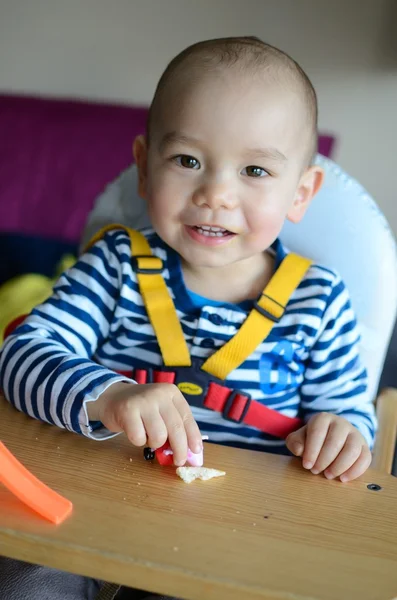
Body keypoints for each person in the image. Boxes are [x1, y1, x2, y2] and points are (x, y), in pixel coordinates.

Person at [0, 36, 376, 600]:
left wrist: (343, 434)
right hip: (87, 516)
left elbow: (351, 415)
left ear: (301, 193)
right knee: (24, 582)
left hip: (233, 540)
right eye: (188, 160)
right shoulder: (115, 265)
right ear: (144, 170)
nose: (216, 193)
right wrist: (109, 396)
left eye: (254, 169)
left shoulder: (318, 301)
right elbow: (22, 356)